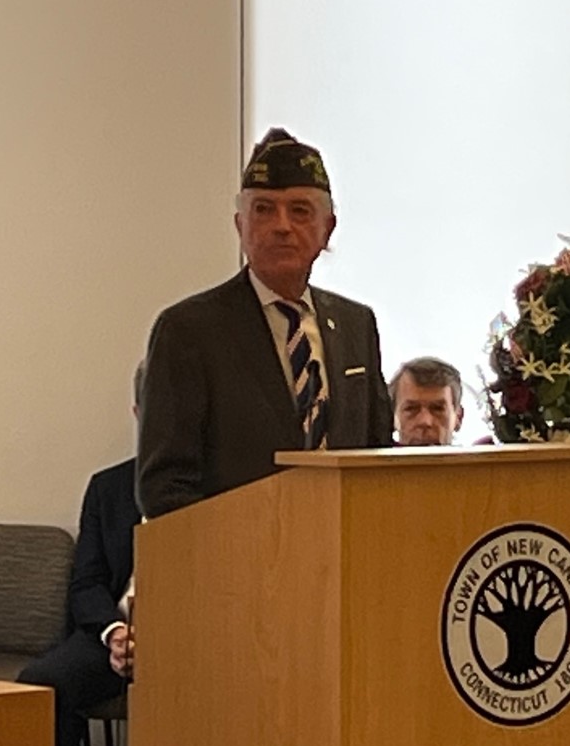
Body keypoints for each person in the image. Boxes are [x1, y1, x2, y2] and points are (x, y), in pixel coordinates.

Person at [137, 127, 393, 518]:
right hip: (240, 562)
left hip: (346, 554)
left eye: (300, 210)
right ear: (240, 225)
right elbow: (164, 487)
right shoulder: (188, 331)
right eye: (264, 209)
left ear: (328, 229)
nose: (281, 225)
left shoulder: (357, 324)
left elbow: (378, 456)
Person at [18, 363, 144, 746]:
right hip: (113, 635)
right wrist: (115, 633)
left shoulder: (216, 488)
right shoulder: (107, 488)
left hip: (189, 641)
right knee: (41, 685)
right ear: (138, 412)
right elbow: (86, 583)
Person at [389, 357, 465, 446]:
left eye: (437, 409)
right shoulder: (372, 459)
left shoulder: (479, 459)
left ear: (458, 417)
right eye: (411, 409)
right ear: (392, 417)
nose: (425, 421)